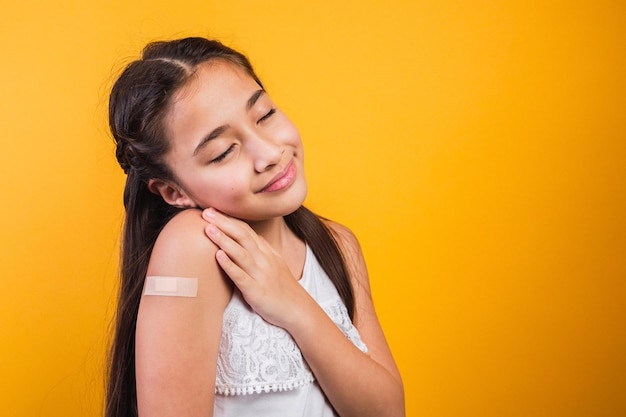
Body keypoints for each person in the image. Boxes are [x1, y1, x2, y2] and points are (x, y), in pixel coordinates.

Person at [105, 36, 404, 417]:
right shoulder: (193, 248)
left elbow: (388, 411)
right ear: (173, 191)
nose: (269, 153)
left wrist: (293, 304)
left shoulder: (338, 245)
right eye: (224, 152)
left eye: (264, 115)